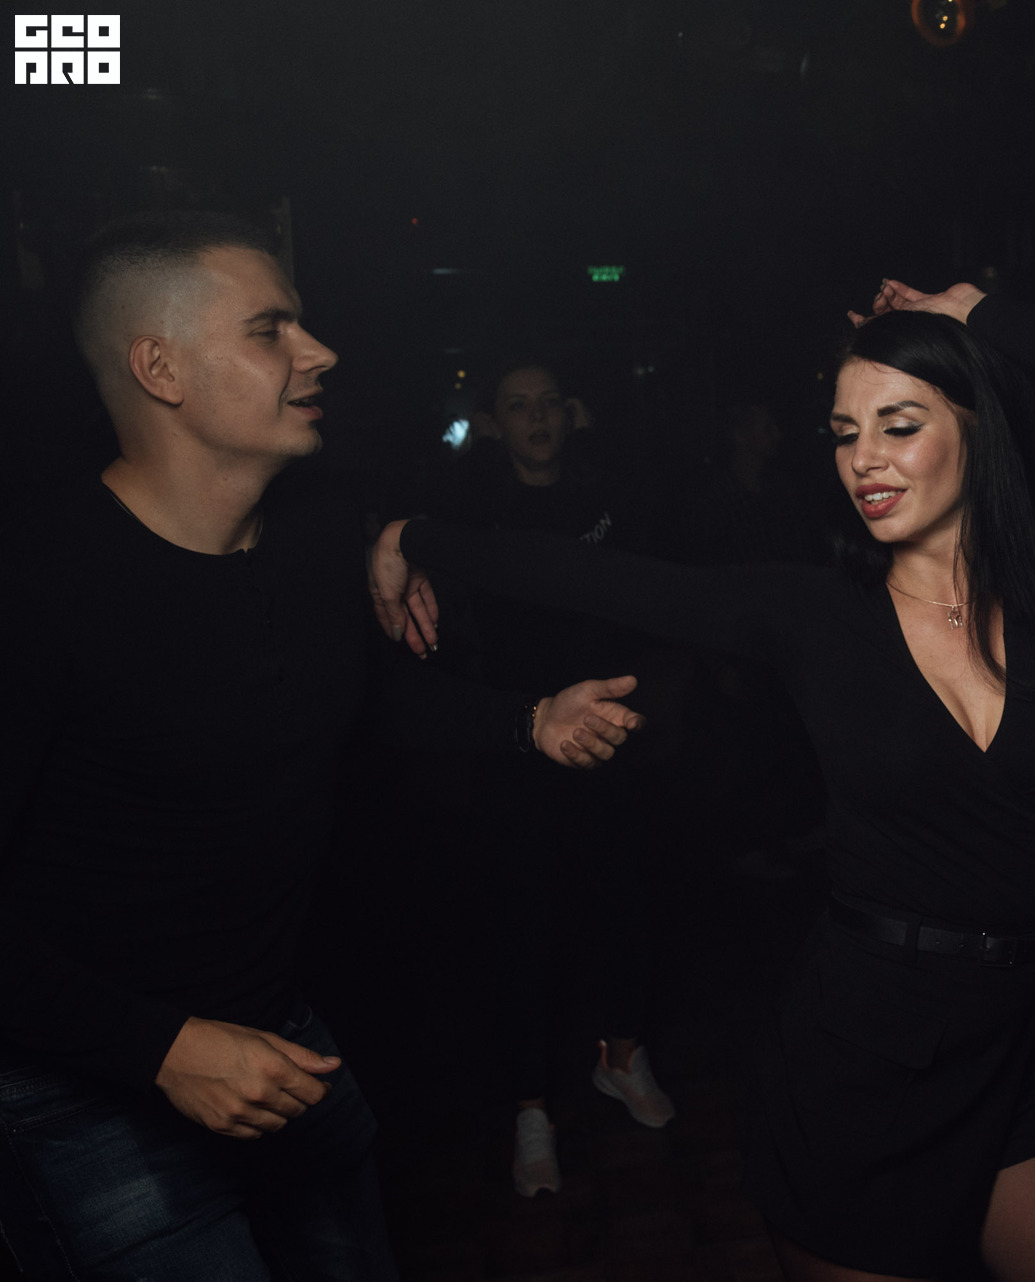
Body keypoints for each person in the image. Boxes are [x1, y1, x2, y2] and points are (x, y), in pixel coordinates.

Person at [371, 279, 1035, 1280]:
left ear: (977, 428)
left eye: (898, 424)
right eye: (843, 433)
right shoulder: (813, 616)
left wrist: (970, 312)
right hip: (860, 1065)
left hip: (1011, 1058)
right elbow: (604, 579)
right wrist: (411, 537)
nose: (863, 459)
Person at [0, 210, 642, 1279]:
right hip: (88, 1084)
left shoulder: (305, 535)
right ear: (160, 368)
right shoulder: (36, 584)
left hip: (281, 1039)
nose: (320, 351)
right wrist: (159, 1048)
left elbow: (361, 695)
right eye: (271, 330)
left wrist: (528, 719)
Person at [421, 358, 680, 1196]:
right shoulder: (469, 511)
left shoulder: (611, 500)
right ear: (494, 422)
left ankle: (622, 1059)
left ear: (572, 415)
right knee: (523, 929)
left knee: (628, 904)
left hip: (609, 744)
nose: (536, 418)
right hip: (516, 752)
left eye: (549, 404)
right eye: (517, 405)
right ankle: (531, 1111)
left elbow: (653, 585)